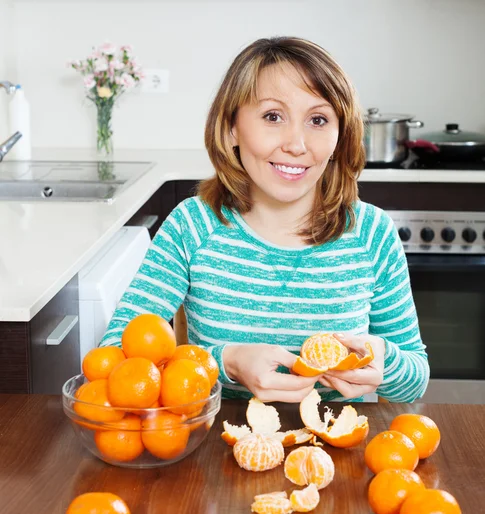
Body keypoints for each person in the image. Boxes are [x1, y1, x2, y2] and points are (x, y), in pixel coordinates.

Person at [100, 36, 429, 404]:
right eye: (273, 116)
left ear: (340, 136)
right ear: (232, 128)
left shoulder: (372, 234)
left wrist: (384, 359)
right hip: (217, 449)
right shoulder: (192, 226)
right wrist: (224, 363)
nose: (296, 144)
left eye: (318, 119)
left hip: (334, 452)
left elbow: (414, 381)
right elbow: (116, 360)